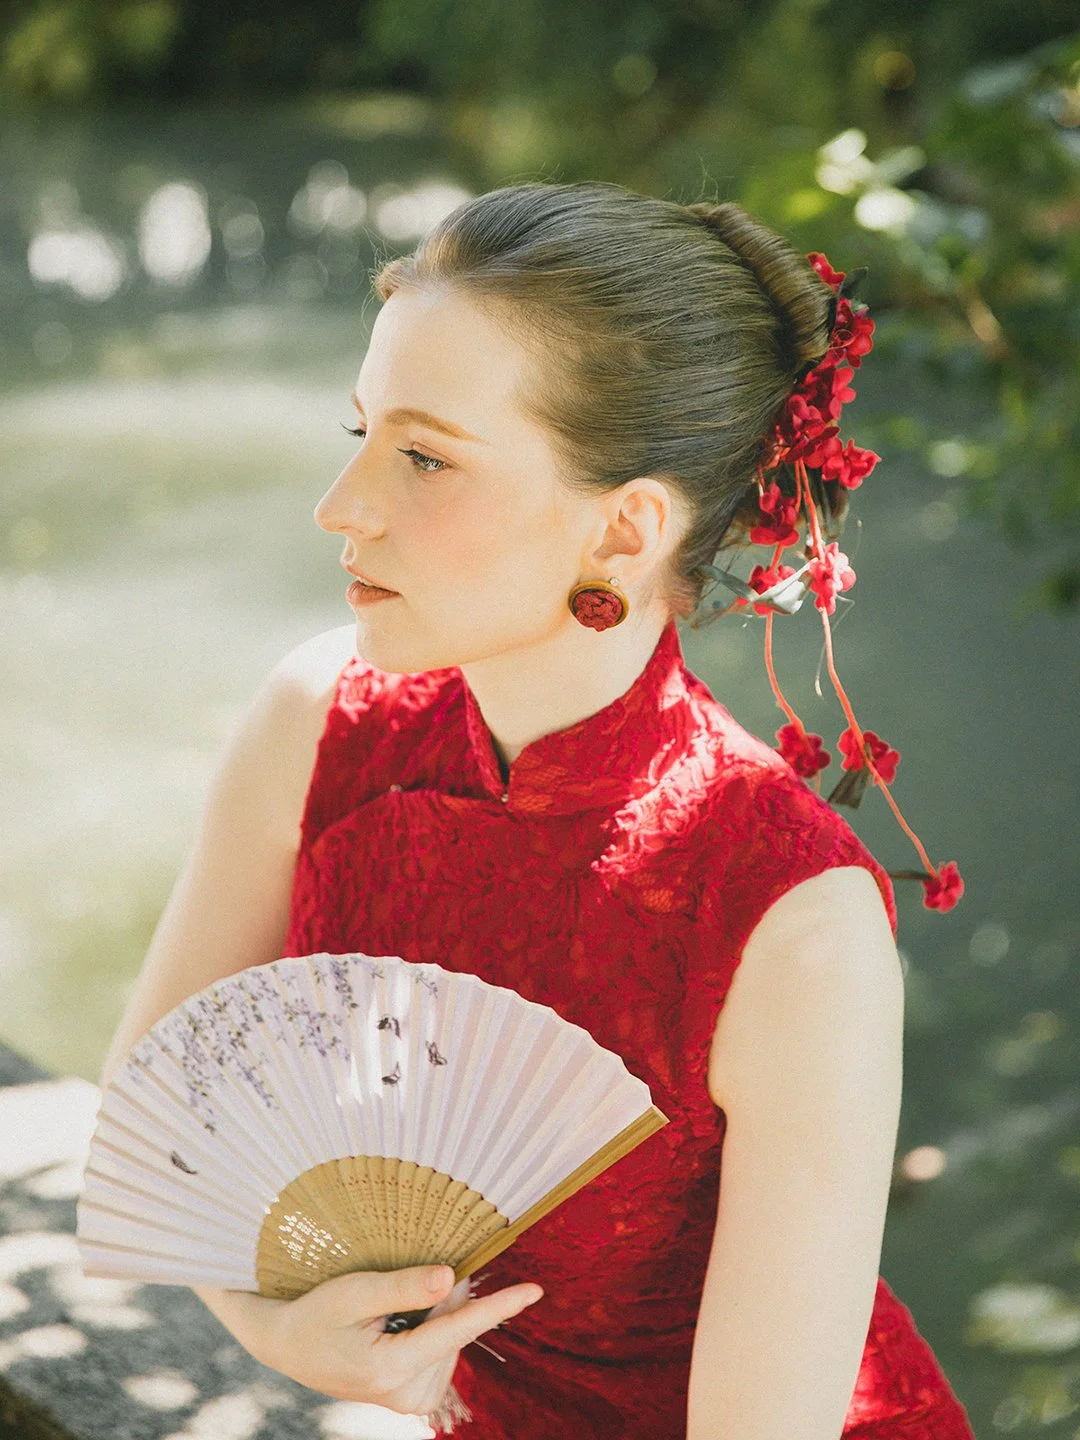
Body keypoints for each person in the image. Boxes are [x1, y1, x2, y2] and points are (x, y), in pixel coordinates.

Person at [98, 179, 975, 1439]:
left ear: (622, 529)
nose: (340, 505)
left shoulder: (788, 914)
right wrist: (276, 1327)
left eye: (422, 455)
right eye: (358, 433)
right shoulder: (319, 724)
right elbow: (156, 1126)